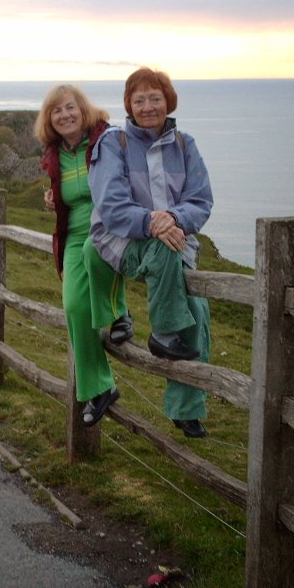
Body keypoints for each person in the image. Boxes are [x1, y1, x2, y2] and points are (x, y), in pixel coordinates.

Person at [88, 67, 214, 438]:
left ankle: (185, 409)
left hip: (175, 241)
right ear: (128, 105)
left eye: (154, 98)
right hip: (121, 241)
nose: (147, 106)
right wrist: (152, 223)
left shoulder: (185, 145)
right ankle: (161, 333)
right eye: (139, 100)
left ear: (168, 101)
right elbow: (110, 205)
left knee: (198, 313)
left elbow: (202, 201)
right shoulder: (114, 144)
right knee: (163, 253)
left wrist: (171, 218)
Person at [37, 84, 133, 428]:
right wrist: (53, 200)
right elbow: (66, 194)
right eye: (57, 111)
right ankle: (100, 387)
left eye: (70, 107)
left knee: (97, 249)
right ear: (50, 119)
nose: (65, 115)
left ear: (83, 109)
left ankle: (120, 312)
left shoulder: (106, 140)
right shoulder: (55, 153)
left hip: (107, 227)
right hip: (74, 235)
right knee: (75, 308)